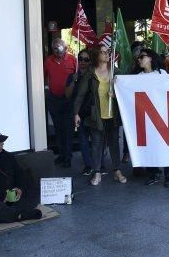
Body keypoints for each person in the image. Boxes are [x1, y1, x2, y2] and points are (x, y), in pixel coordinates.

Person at [73, 47, 126, 186]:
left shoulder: (115, 71)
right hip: (95, 115)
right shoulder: (90, 73)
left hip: (112, 114)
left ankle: (117, 170)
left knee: (114, 143)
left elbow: (125, 89)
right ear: (96, 55)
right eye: (102, 52)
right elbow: (80, 94)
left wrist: (115, 95)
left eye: (107, 52)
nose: (106, 54)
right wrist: (76, 113)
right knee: (96, 144)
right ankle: (97, 172)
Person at [133, 49, 169, 187]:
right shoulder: (137, 77)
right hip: (146, 118)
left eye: (142, 57)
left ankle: (168, 174)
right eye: (138, 58)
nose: (139, 60)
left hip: (162, 117)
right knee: (150, 146)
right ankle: (153, 173)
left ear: (150, 58)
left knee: (165, 146)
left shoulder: (162, 74)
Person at [44, 38, 77, 168]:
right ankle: (62, 154)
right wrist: (46, 90)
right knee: (58, 129)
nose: (58, 51)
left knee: (68, 129)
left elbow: (78, 77)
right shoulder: (48, 61)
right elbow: (42, 77)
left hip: (68, 100)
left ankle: (68, 157)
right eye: (55, 49)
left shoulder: (72, 60)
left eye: (60, 48)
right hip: (54, 99)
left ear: (66, 48)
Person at [64, 49, 93, 175]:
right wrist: (73, 81)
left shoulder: (94, 75)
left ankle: (100, 164)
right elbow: (67, 95)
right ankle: (88, 165)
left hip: (93, 112)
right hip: (78, 113)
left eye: (86, 59)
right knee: (83, 139)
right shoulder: (72, 75)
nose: (82, 61)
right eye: (80, 58)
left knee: (98, 140)